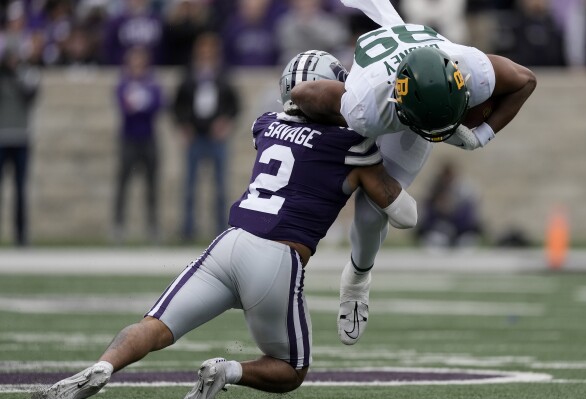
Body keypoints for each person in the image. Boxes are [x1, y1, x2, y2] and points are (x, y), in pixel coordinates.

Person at [40, 50, 417, 399]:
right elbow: (404, 215)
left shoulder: (266, 126)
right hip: (277, 258)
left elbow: (300, 133)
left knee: (154, 326)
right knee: (291, 370)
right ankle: (228, 370)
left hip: (229, 244)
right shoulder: (352, 148)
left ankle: (102, 366)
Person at [290, 0, 537, 345]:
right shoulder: (363, 105)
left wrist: (480, 137)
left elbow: (525, 81)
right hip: (379, 101)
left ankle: (358, 276)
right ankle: (355, 283)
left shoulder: (472, 68)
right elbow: (304, 93)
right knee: (365, 199)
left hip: (417, 94)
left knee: (373, 211)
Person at [172, 32, 240, 241]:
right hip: (196, 137)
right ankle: (188, 230)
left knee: (220, 186)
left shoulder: (223, 77)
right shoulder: (189, 77)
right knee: (190, 187)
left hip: (216, 138)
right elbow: (177, 105)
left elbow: (234, 105)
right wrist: (184, 126)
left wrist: (225, 122)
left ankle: (220, 229)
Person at [113, 46, 163, 244]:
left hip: (148, 138)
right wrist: (141, 105)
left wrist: (139, 106)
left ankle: (152, 227)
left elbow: (157, 105)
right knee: (123, 182)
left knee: (151, 184)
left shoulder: (152, 84)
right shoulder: (123, 83)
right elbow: (124, 107)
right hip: (129, 139)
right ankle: (118, 226)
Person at [0, 47, 40, 247]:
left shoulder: (27, 74)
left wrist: (15, 76)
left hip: (21, 138)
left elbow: (31, 96)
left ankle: (21, 235)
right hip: (1, 137)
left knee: (20, 189)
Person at [415, 161, 484, 249]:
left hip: (461, 231)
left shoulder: (465, 191)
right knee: (434, 241)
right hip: (439, 230)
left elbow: (470, 218)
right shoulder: (434, 190)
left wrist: (452, 208)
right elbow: (427, 217)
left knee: (466, 243)